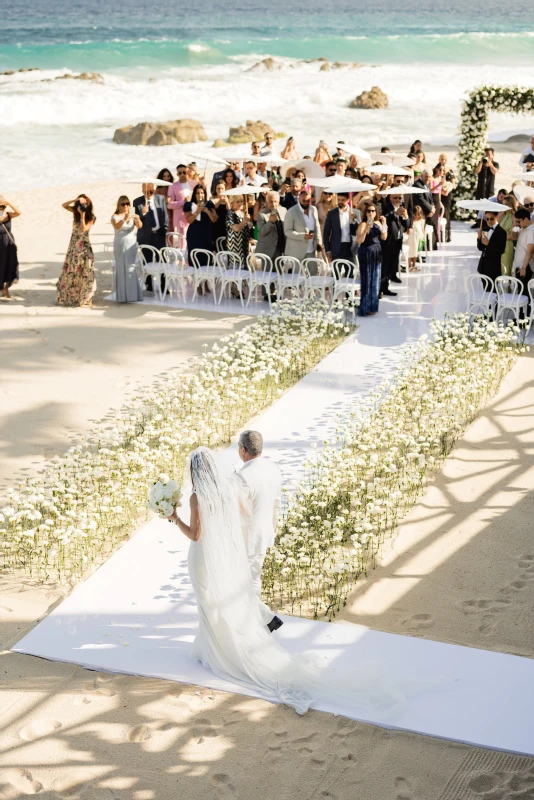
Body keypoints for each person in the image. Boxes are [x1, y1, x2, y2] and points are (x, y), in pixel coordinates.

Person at [166, 447, 414, 716]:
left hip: (202, 557)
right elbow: (245, 513)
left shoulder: (196, 497)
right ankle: (211, 645)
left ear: (195, 472)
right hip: (222, 554)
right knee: (218, 600)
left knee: (206, 601)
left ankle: (212, 650)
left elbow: (194, 535)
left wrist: (173, 518)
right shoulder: (226, 489)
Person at [235, 430, 282, 630]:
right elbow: (277, 503)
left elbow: (241, 514)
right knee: (254, 579)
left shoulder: (242, 477)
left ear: (243, 450)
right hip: (264, 533)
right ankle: (258, 620)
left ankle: (265, 619)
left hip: (247, 538)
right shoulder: (274, 469)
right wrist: (272, 529)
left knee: (240, 583)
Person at [57, 194, 96, 307]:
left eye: (84, 204)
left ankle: (86, 297)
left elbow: (83, 229)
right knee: (73, 273)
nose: (81, 206)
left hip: (84, 248)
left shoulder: (91, 217)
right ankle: (73, 297)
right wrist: (75, 200)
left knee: (85, 273)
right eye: (80, 204)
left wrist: (83, 215)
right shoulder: (75, 213)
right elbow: (64, 205)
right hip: (73, 247)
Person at [111, 196, 143, 303]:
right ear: (119, 205)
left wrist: (137, 219)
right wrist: (125, 218)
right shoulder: (115, 216)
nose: (125, 206)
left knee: (130, 268)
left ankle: (133, 295)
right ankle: (122, 296)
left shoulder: (133, 215)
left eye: (127, 204)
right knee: (121, 268)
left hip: (131, 244)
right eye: (123, 204)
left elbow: (140, 226)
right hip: (119, 244)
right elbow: (117, 226)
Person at [357, 204, 387, 316]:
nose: (371, 213)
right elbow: (359, 241)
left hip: (377, 252)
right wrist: (366, 230)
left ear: (376, 213)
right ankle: (365, 306)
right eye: (368, 211)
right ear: (365, 213)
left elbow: (384, 237)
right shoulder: (363, 224)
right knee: (367, 279)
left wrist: (384, 224)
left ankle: (373, 307)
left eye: (373, 211)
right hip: (366, 252)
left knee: (375, 280)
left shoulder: (378, 224)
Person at [381, 193, 411, 293]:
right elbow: (384, 219)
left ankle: (392, 276)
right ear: (390, 197)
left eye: (399, 198)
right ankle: (383, 288)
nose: (398, 200)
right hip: (388, 241)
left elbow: (406, 225)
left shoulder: (401, 207)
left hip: (398, 240)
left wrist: (406, 217)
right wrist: (395, 214)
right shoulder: (386, 207)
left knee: (394, 262)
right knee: (386, 265)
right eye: (395, 197)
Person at [283, 190, 323, 264]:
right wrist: (303, 236)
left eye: (308, 201)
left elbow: (317, 227)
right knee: (297, 274)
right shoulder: (291, 211)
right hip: (296, 251)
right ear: (299, 199)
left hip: (311, 249)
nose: (305, 203)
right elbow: (287, 231)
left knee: (313, 273)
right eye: (303, 201)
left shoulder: (313, 209)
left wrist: (319, 242)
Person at [323, 193, 357, 271]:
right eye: (338, 200)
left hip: (350, 248)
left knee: (350, 276)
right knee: (336, 275)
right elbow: (326, 233)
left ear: (348, 200)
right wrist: (328, 250)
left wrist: (354, 221)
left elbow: (357, 231)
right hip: (336, 248)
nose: (340, 202)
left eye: (343, 200)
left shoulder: (355, 213)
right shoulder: (332, 213)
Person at [184, 184, 217, 263]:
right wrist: (197, 212)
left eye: (202, 193)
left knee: (207, 257)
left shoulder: (209, 204)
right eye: (197, 193)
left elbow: (214, 219)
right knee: (194, 258)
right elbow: (189, 220)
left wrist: (207, 212)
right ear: (194, 194)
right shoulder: (188, 205)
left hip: (206, 234)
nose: (200, 195)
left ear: (205, 194)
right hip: (194, 234)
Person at [133, 182, 167, 252]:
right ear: (142, 191)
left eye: (150, 192)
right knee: (147, 261)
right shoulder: (137, 202)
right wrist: (142, 212)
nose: (148, 194)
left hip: (159, 236)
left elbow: (165, 216)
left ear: (154, 191)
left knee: (161, 260)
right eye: (146, 192)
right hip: (145, 237)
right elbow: (136, 222)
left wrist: (165, 231)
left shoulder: (160, 199)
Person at [255, 191, 287, 264]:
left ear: (278, 201)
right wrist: (270, 222)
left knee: (279, 272)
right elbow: (261, 232)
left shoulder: (283, 210)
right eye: (271, 202)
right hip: (268, 249)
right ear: (266, 202)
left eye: (275, 201)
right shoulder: (261, 214)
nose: (273, 204)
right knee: (267, 273)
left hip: (281, 246)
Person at [477, 208, 506, 283]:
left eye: (491, 219)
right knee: (485, 290)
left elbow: (501, 250)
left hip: (493, 266)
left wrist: (489, 244)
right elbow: (481, 248)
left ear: (496, 217)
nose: (489, 221)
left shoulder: (501, 232)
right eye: (487, 219)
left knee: (493, 291)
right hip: (483, 265)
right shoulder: (485, 229)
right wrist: (479, 237)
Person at [0, 195, 21, 299]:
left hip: (8, 243)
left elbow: (18, 212)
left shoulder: (8, 214)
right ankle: (1, 288)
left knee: (10, 264)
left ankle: (6, 288)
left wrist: (8, 202)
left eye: (2, 206)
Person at [168, 165, 196, 235]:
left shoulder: (194, 183)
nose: (182, 174)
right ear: (177, 174)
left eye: (184, 172)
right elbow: (169, 205)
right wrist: (183, 202)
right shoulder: (173, 186)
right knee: (183, 244)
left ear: (187, 172)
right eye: (180, 173)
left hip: (195, 216)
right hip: (181, 219)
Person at [513, 207, 534, 295]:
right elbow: (514, 237)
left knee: (524, 294)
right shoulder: (524, 228)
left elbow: (530, 250)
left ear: (525, 219)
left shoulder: (531, 230)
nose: (518, 223)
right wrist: (514, 224)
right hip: (520, 266)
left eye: (519, 221)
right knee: (521, 292)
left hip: (525, 267)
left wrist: (524, 268)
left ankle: (525, 309)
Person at [226, 196, 253, 264]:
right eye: (238, 202)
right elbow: (236, 228)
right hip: (235, 244)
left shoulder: (242, 213)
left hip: (244, 243)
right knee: (236, 267)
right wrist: (244, 221)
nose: (241, 203)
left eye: (241, 201)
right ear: (232, 203)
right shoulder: (231, 214)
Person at [499, 195, 518, 276]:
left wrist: (502, 238)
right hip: (500, 244)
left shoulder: (514, 217)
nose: (504, 206)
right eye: (503, 204)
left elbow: (513, 235)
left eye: (506, 204)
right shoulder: (502, 215)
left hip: (508, 244)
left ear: (511, 205)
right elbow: (498, 225)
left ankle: (506, 285)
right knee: (500, 265)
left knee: (507, 264)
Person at [211, 180, 230, 249]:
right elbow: (212, 209)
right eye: (218, 188)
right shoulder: (212, 198)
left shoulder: (228, 198)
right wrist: (219, 202)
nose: (220, 190)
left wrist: (227, 202)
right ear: (215, 189)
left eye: (222, 188)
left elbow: (230, 211)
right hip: (216, 224)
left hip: (226, 224)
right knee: (217, 244)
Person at [407, 205, 425, 271]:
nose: (417, 216)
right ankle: (409, 265)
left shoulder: (422, 221)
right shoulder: (411, 221)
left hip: (418, 238)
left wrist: (423, 238)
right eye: (415, 214)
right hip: (411, 238)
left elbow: (422, 229)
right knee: (410, 252)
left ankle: (414, 264)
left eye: (418, 214)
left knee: (416, 252)